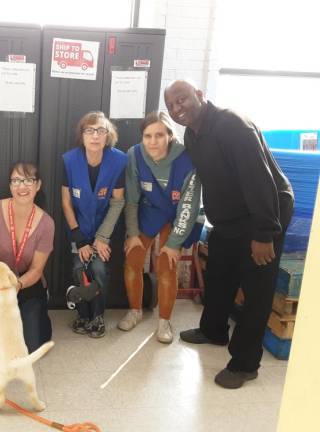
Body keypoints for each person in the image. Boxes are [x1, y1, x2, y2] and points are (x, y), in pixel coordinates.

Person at [164, 80, 294, 389]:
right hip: (229, 220)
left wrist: (264, 234)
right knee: (220, 274)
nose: (177, 108)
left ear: (200, 94)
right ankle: (214, 330)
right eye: (170, 105)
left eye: (181, 99)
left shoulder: (232, 126)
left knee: (257, 291)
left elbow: (259, 181)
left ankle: (246, 363)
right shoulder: (193, 134)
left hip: (263, 214)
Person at [119, 111, 201, 344]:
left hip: (178, 214)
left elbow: (188, 206)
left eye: (159, 135)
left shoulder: (188, 159)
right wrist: (133, 233)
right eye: (147, 136)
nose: (153, 142)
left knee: (167, 263)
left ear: (170, 136)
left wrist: (174, 243)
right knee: (133, 258)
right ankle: (135, 310)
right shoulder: (134, 155)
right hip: (150, 209)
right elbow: (132, 199)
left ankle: (164, 321)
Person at [0, 162, 54, 357]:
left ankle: (36, 315)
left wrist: (16, 285)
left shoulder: (47, 224)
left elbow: (37, 269)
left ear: (38, 185)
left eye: (28, 180)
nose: (22, 186)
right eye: (16, 180)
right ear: (10, 186)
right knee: (0, 350)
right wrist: (1, 287)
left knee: (31, 348)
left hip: (26, 284)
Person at [61, 111, 127, 338]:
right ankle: (83, 315)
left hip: (105, 231)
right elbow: (66, 202)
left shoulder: (119, 160)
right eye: (89, 130)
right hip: (78, 230)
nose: (95, 136)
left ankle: (97, 316)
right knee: (79, 269)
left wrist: (101, 238)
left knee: (98, 269)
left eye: (101, 130)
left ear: (108, 135)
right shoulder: (69, 160)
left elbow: (118, 203)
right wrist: (79, 239)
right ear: (82, 135)